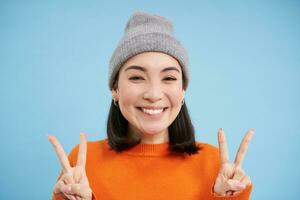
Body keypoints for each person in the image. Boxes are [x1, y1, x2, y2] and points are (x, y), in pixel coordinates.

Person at [48, 11, 254, 200]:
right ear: (115, 89)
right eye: (137, 77)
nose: (154, 94)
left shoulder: (214, 166)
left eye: (169, 78)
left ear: (183, 91)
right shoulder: (83, 164)